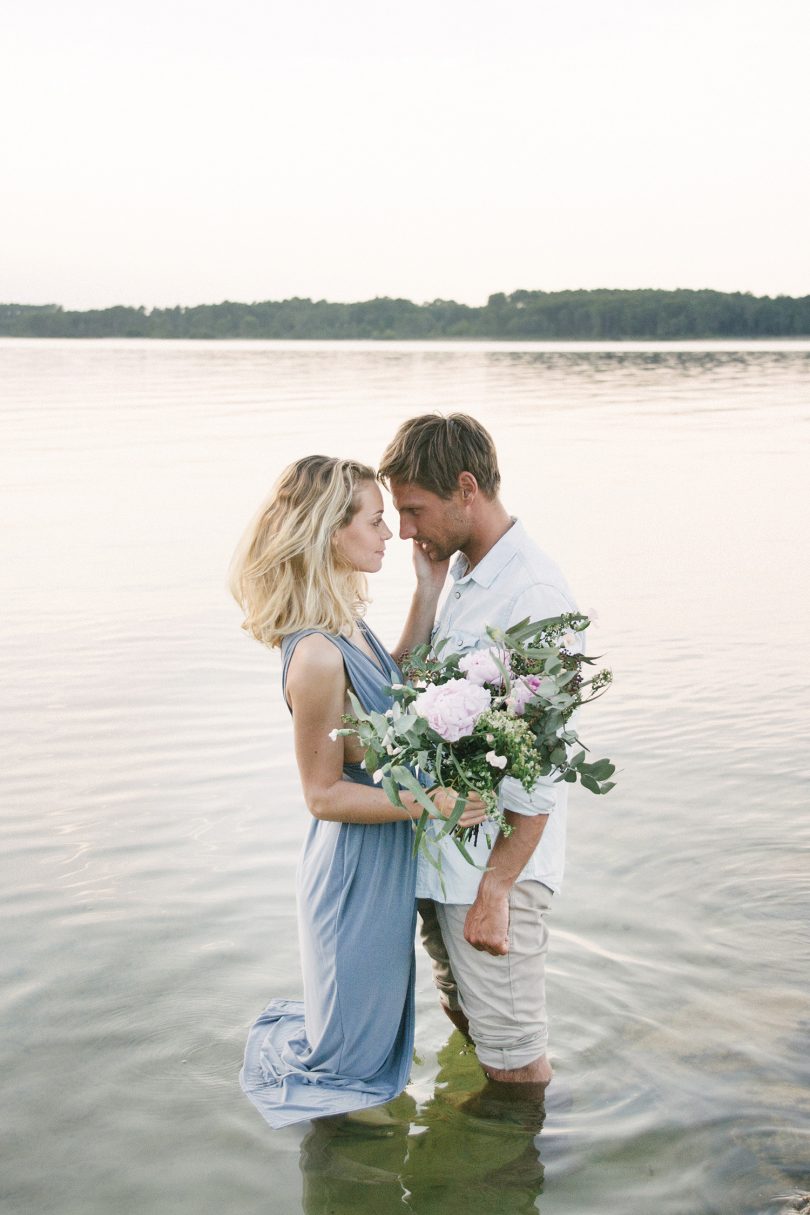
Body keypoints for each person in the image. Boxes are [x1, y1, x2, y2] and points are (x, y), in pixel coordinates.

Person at [229, 455, 485, 1129]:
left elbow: (388, 692)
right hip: (352, 875)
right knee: (355, 1077)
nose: (391, 533)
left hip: (382, 862)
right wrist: (432, 804)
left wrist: (428, 592)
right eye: (375, 520)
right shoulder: (314, 654)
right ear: (328, 531)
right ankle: (346, 1185)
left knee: (372, 1053)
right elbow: (322, 792)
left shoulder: (347, 624)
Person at [378, 414, 578, 1090]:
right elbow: (404, 693)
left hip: (494, 874)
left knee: (515, 1057)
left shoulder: (534, 594)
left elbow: (542, 767)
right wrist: (427, 593)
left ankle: (526, 1173)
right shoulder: (460, 572)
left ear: (466, 488)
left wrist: (497, 887)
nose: (404, 529)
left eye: (413, 509)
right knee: (466, 1016)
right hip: (444, 860)